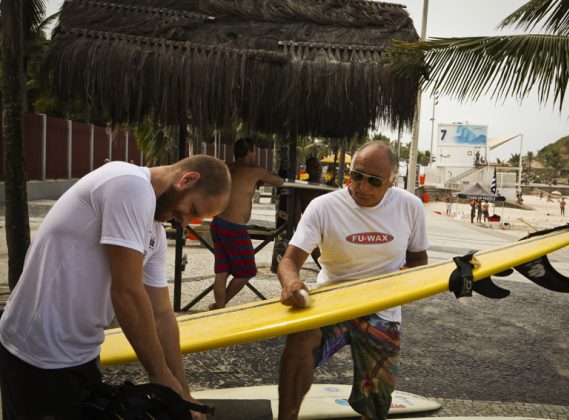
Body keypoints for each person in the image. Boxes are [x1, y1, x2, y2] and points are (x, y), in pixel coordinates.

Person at [0, 155, 231, 419]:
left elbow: (162, 315)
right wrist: (159, 374)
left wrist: (182, 393)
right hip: (37, 353)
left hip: (83, 355)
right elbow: (127, 292)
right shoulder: (129, 183)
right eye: (193, 209)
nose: (186, 221)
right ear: (187, 180)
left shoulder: (153, 231)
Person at [276, 141, 429, 420]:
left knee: (376, 403)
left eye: (374, 181)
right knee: (300, 338)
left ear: (391, 181)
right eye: (356, 176)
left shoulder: (410, 206)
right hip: (333, 301)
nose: (362, 187)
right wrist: (291, 283)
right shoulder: (323, 207)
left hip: (383, 308)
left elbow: (419, 260)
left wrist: (403, 282)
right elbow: (289, 261)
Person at [209, 138, 284, 310]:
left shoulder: (227, 167)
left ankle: (218, 309)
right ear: (250, 152)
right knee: (247, 271)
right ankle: (221, 306)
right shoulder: (255, 171)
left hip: (218, 223)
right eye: (254, 152)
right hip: (234, 228)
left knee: (221, 271)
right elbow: (278, 181)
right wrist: (260, 179)